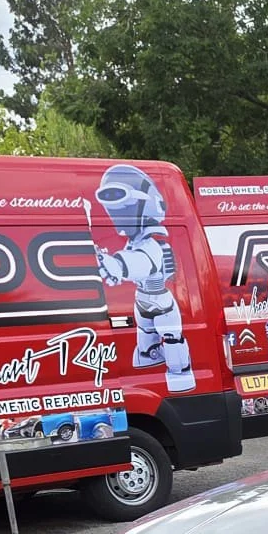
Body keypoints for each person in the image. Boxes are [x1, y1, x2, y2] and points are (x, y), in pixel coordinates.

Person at [94, 165, 196, 394]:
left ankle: (180, 377)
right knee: (146, 336)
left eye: (124, 208)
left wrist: (116, 265)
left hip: (161, 300)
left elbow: (141, 262)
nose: (117, 215)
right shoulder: (136, 241)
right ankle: (149, 356)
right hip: (142, 300)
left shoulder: (152, 242)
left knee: (172, 339)